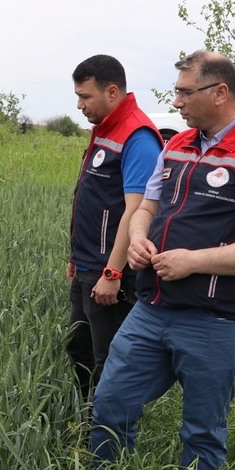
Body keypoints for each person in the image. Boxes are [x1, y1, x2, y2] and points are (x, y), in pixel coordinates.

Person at [89, 50, 235, 470]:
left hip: (217, 320)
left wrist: (192, 262)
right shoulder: (176, 145)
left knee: (202, 432)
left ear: (219, 93)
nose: (178, 102)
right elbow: (147, 207)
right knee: (110, 403)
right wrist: (137, 240)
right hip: (152, 308)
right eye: (177, 93)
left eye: (185, 93)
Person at [66, 55, 162, 404]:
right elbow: (90, 200)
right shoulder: (105, 129)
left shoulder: (137, 136)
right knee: (79, 346)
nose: (79, 105)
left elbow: (136, 210)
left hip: (110, 270)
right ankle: (84, 415)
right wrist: (74, 255)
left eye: (85, 96)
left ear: (111, 91)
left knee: (110, 360)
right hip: (87, 264)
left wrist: (113, 270)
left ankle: (108, 442)